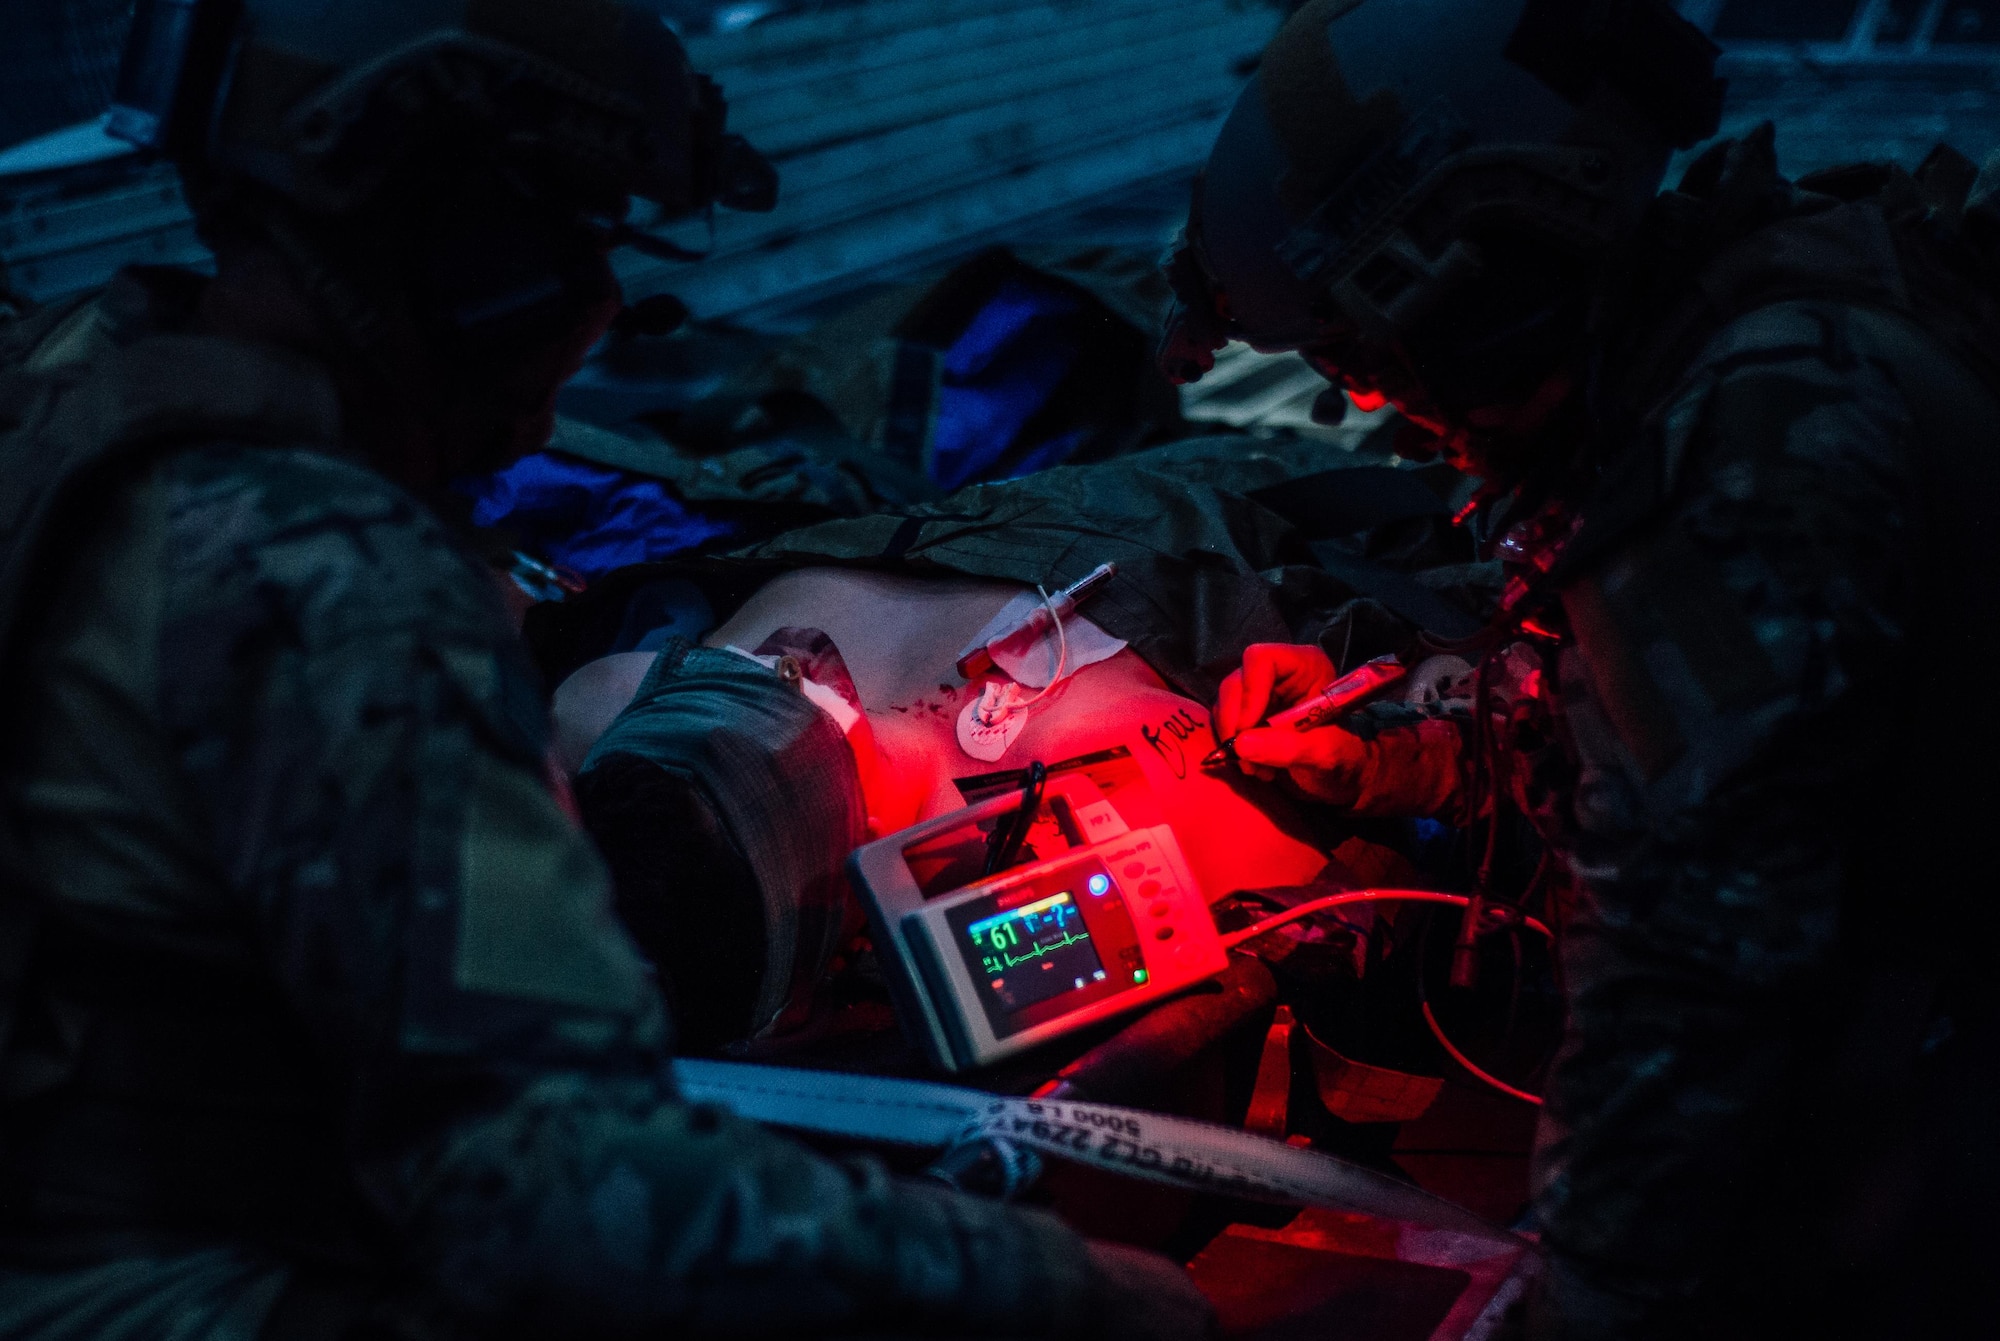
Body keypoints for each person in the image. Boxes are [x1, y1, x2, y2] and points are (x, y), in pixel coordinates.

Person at [0, 2, 1215, 1338]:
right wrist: (1071, 1293)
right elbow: (558, 1192)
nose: (600, 304)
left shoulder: (77, 392)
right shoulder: (333, 576)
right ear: (466, 235)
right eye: (577, 233)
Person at [1162, 0, 2000, 1335]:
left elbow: (1693, 972)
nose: (1390, 409)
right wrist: (1395, 759)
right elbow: (1700, 729)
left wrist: (1578, 1292)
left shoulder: (1746, 451)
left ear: (1467, 272)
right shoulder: (1769, 319)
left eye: (1373, 362)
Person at [553, 566, 1339, 1049]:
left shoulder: (604, 706)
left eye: (743, 673)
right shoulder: (1136, 791)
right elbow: (1307, 873)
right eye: (784, 686)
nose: (784, 652)